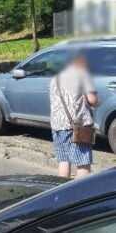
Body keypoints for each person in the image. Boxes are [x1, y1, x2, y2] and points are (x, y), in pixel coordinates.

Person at [49, 51, 99, 179]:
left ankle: (62, 192)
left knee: (63, 161)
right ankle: (81, 195)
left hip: (58, 126)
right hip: (78, 126)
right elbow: (92, 100)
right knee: (83, 163)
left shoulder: (55, 78)